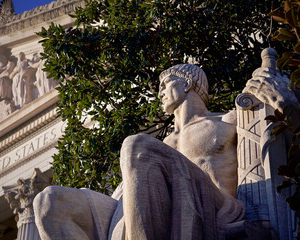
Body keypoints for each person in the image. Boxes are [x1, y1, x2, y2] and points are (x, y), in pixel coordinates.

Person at [34, 64, 246, 240]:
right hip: (146, 210)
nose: (160, 93)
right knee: (49, 201)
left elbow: (269, 117)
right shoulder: (163, 145)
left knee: (136, 145)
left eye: (166, 84)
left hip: (211, 206)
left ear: (187, 83)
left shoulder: (225, 121)